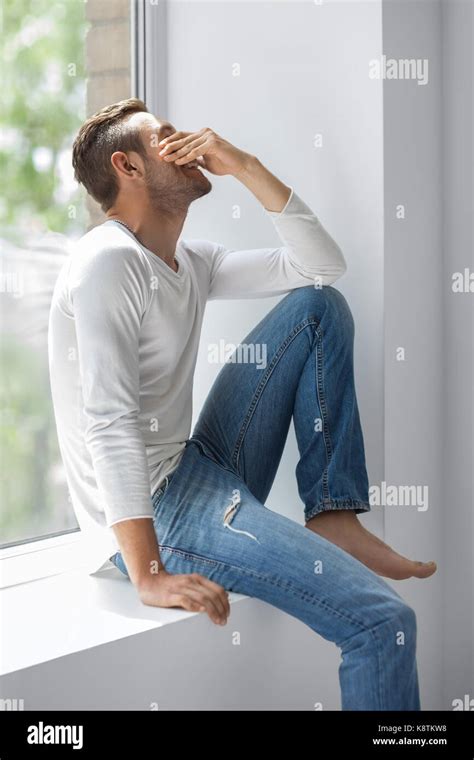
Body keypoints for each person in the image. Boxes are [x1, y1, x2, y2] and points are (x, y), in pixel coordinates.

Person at [48, 98, 436, 710]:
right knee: (383, 623)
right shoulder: (108, 262)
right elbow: (110, 423)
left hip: (195, 466)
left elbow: (321, 266)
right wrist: (148, 574)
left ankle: (332, 511)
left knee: (317, 307)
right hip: (159, 513)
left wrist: (245, 164)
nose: (190, 143)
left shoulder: (190, 260)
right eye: (167, 139)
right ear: (128, 167)